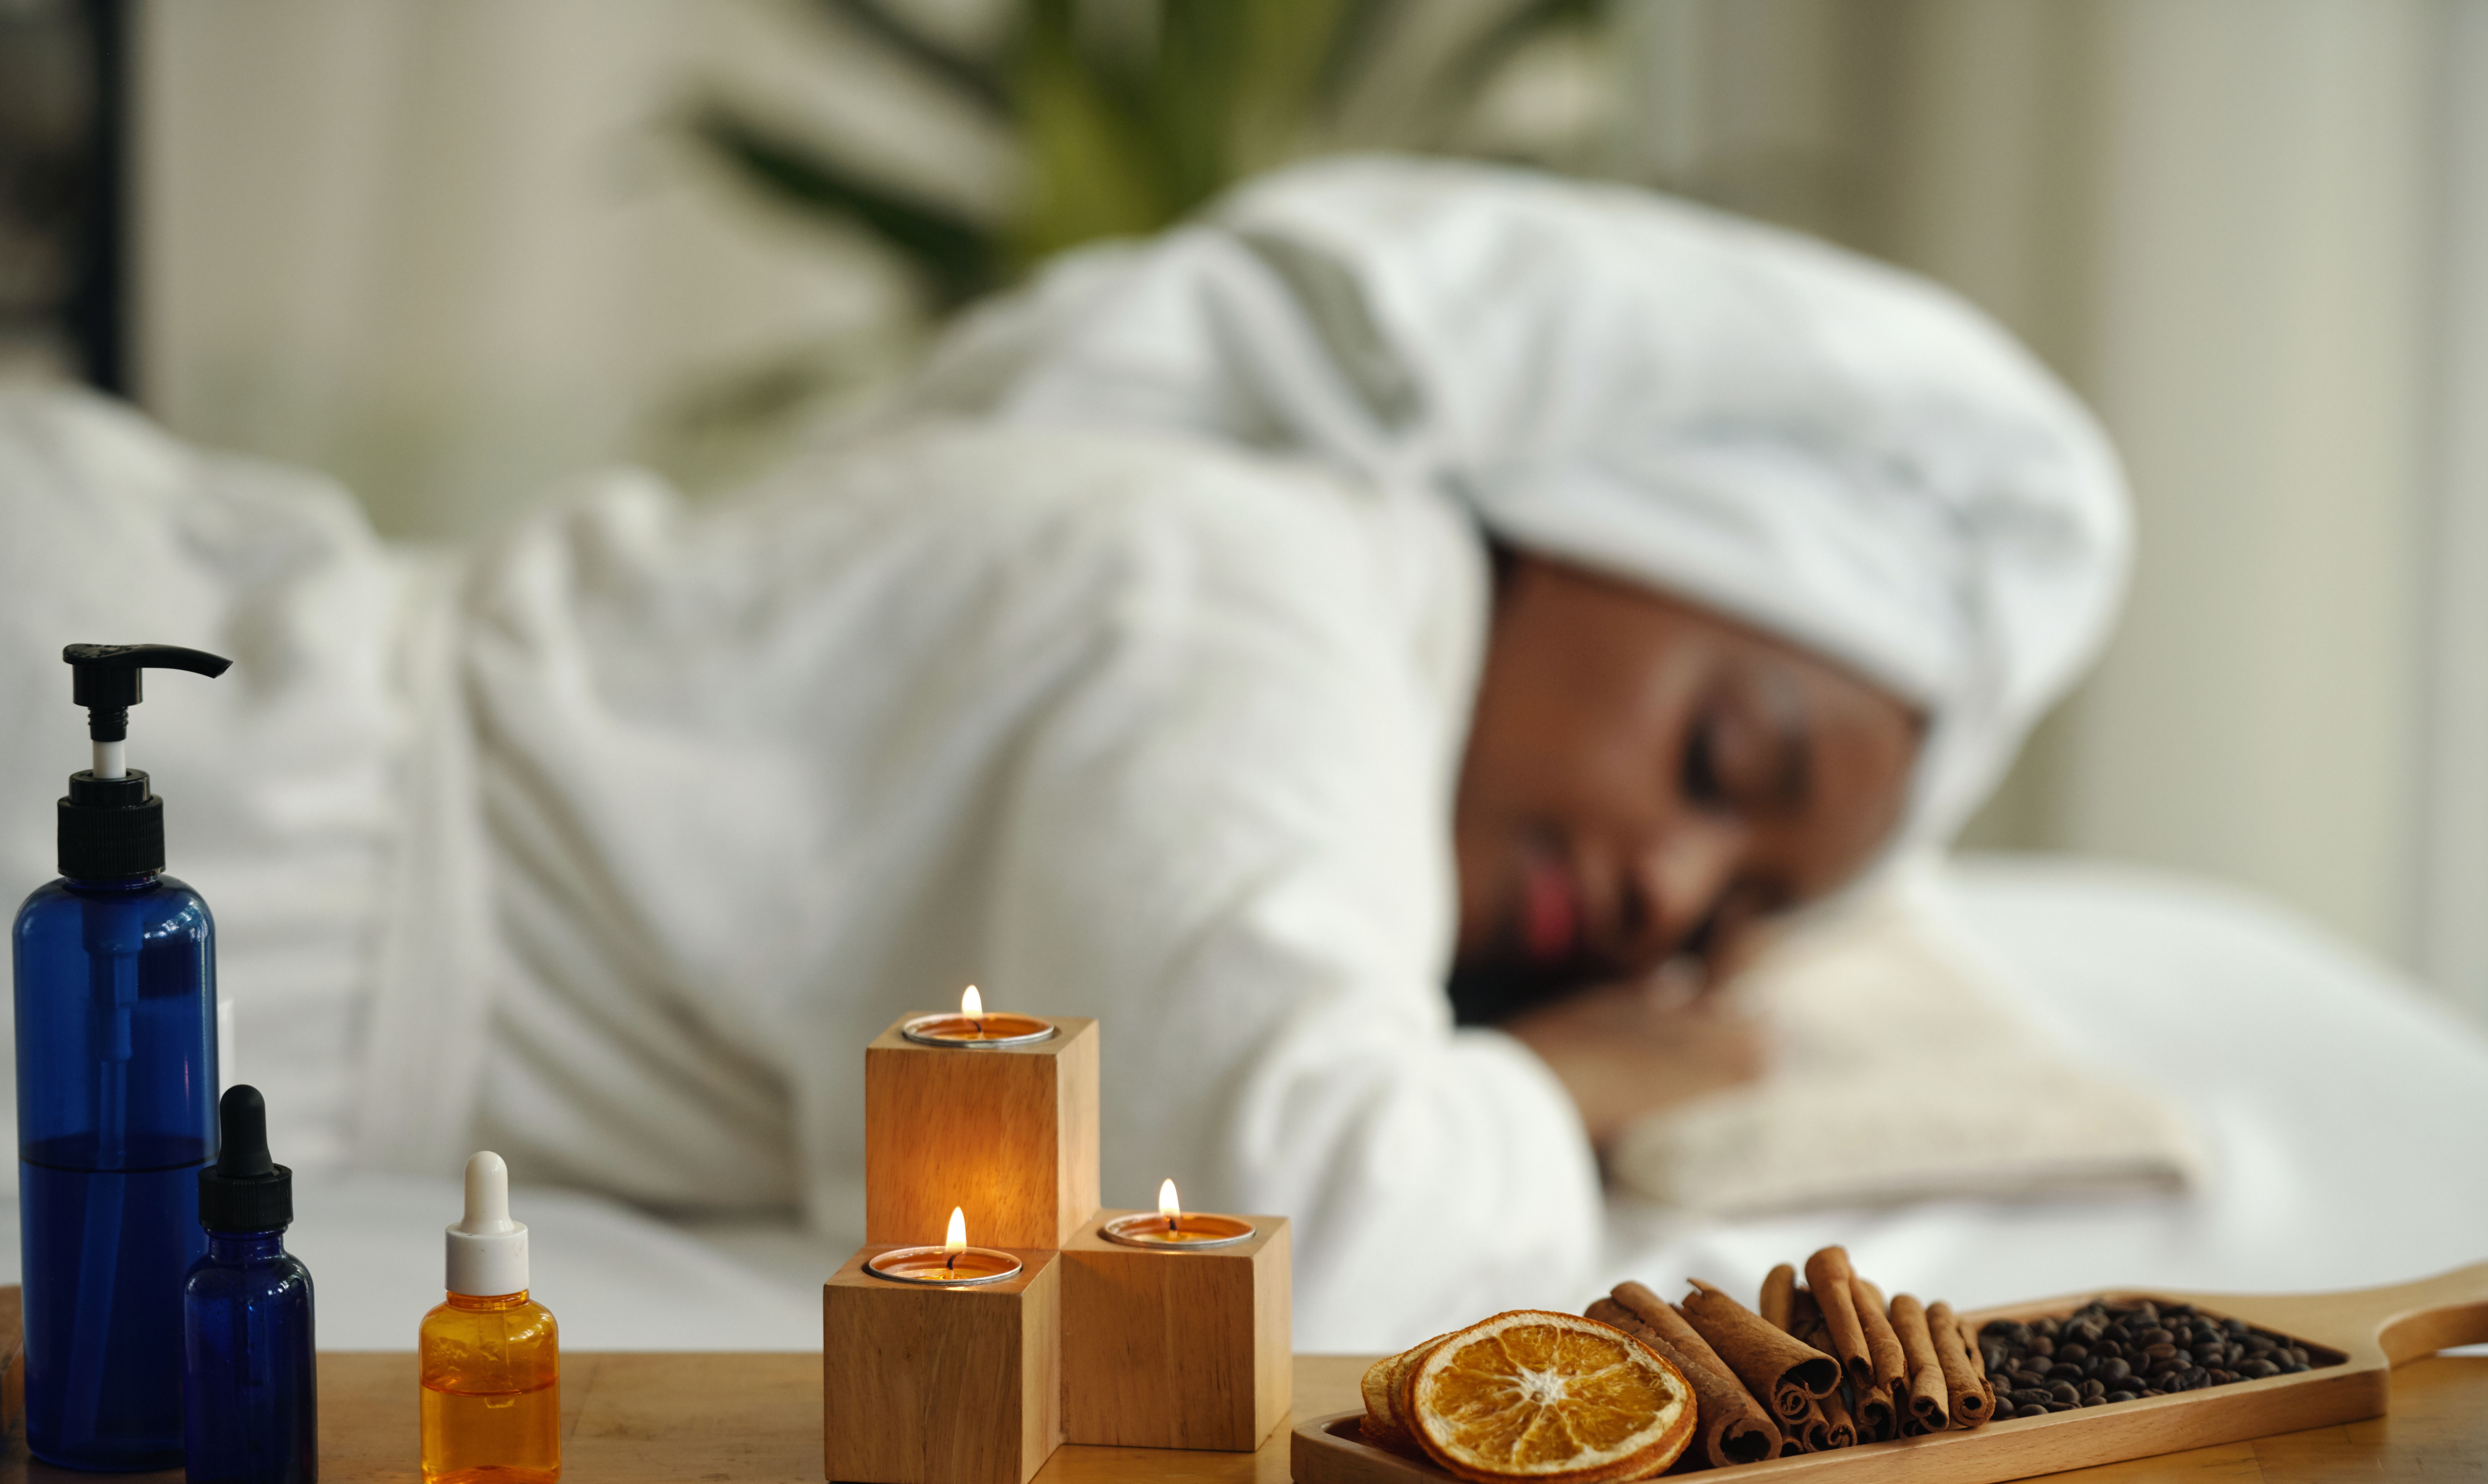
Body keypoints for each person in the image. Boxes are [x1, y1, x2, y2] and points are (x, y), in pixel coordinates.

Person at [0, 157, 2124, 1348]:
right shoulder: (1257, 611)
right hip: (181, 805)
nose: (1670, 887)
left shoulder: (1280, 603)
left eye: (1744, 905)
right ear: (1592, 533)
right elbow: (1296, 1227)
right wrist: (1566, 1083)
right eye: (1723, 758)